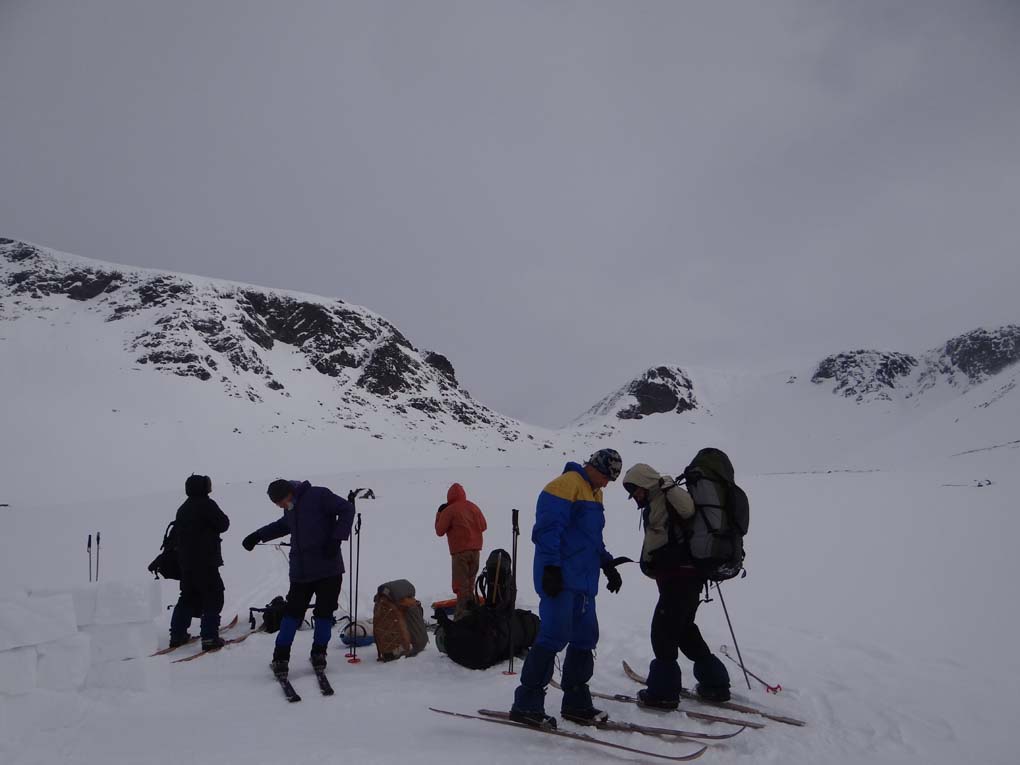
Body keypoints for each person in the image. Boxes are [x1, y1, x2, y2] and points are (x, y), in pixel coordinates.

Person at [509, 448, 625, 729]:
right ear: (594, 467)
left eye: (611, 479)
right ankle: (526, 704)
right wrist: (550, 568)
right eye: (606, 476)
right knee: (554, 635)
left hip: (585, 581)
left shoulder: (595, 493)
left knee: (586, 637)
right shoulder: (564, 485)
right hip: (560, 578)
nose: (607, 483)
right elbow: (547, 530)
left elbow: (591, 538)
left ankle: (576, 702)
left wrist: (607, 563)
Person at [622, 462, 731, 707]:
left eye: (635, 490)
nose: (635, 496)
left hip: (681, 578)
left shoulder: (668, 493)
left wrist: (669, 486)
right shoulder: (655, 501)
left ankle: (663, 693)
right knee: (683, 631)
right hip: (679, 578)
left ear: (645, 483)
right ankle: (715, 684)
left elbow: (688, 510)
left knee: (662, 633)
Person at [241, 479, 355, 676]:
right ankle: (280, 658)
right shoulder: (291, 508)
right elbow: (283, 525)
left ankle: (319, 653)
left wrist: (336, 539)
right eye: (277, 504)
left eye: (281, 502)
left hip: (329, 569)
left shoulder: (319, 495)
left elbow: (347, 509)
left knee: (324, 613)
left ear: (290, 492)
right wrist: (257, 535)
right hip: (301, 573)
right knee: (292, 614)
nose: (281, 506)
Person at [169, 474, 230, 650]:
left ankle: (177, 635)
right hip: (206, 561)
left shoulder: (183, 508)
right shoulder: (207, 504)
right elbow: (223, 524)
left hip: (186, 562)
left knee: (187, 597)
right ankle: (209, 638)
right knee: (213, 596)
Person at [435, 483, 488, 620]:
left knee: (461, 587)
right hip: (475, 551)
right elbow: (483, 526)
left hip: (460, 553)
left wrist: (439, 514)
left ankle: (461, 619)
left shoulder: (449, 510)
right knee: (470, 585)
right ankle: (472, 616)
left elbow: (439, 531)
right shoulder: (473, 507)